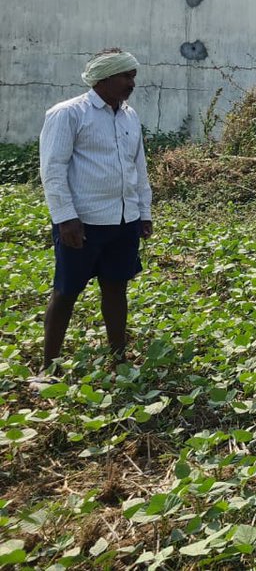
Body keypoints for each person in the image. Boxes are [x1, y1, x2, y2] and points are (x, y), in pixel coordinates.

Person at [36, 49, 153, 380]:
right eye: (125, 76)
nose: (132, 83)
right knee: (66, 290)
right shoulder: (69, 114)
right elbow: (53, 168)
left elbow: (138, 168)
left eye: (133, 76)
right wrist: (65, 217)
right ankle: (49, 367)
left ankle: (119, 359)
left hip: (123, 220)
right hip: (83, 222)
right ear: (103, 79)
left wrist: (143, 211)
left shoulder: (129, 116)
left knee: (116, 288)